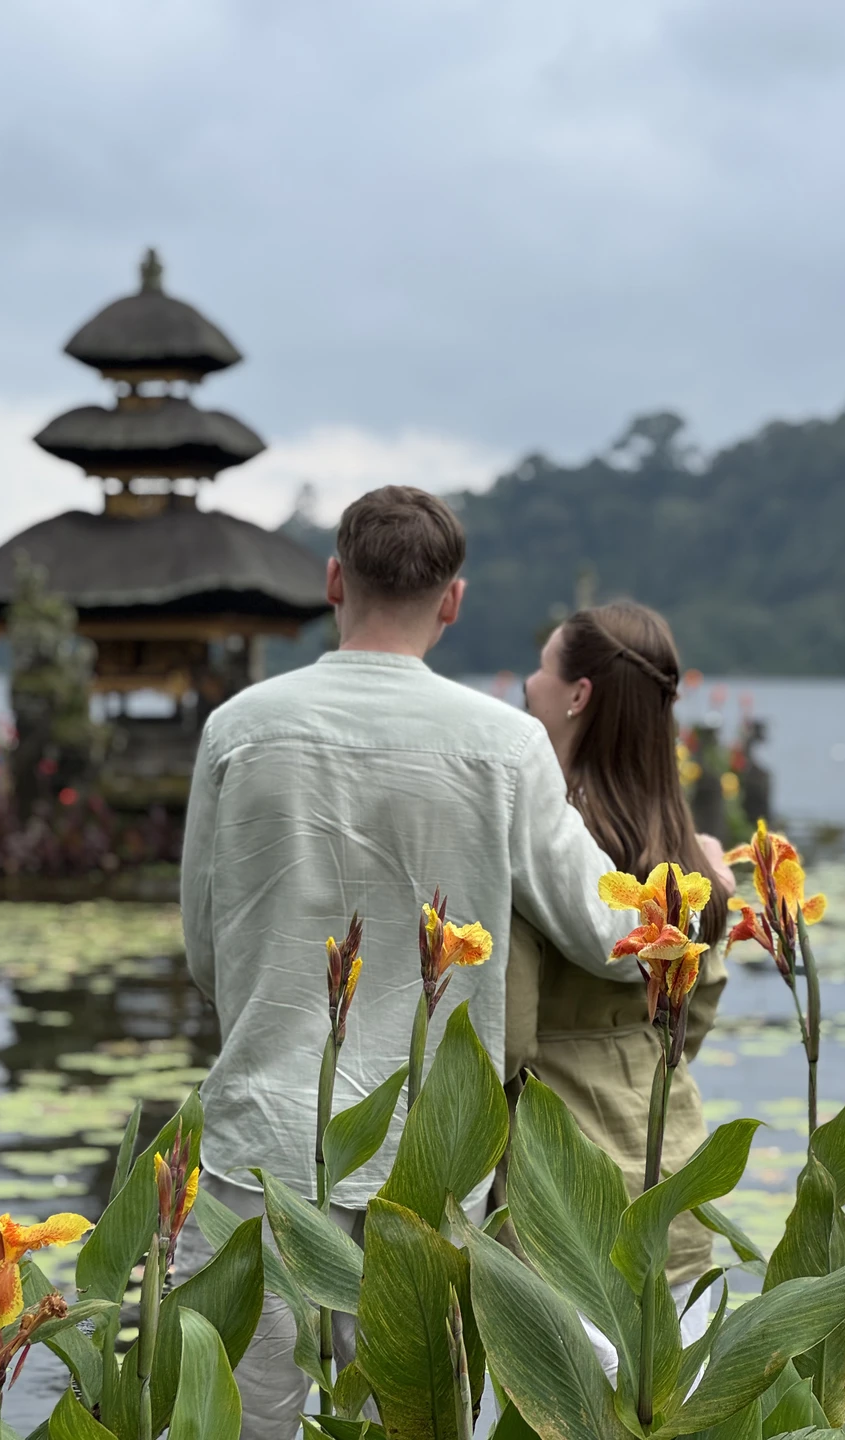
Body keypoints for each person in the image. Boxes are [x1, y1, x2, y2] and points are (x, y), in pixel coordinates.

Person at [180, 486, 642, 1440]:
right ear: (453, 601)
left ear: (334, 580)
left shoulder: (238, 728)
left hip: (258, 1145)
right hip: (425, 1175)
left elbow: (205, 947)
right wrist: (699, 894)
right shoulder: (505, 746)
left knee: (235, 1426)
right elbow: (613, 942)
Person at [501, 600, 733, 1380]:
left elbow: (511, 1036)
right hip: (675, 1177)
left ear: (577, 696)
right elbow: (690, 1018)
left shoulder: (548, 848)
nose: (528, 684)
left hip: (565, 1196)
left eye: (542, 666)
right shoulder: (685, 850)